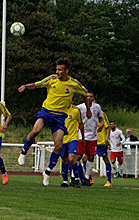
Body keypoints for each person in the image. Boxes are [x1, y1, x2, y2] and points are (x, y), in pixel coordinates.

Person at [17, 57, 92, 186]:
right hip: (46, 112)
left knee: (58, 146)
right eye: (57, 69)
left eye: (60, 70)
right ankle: (24, 152)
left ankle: (47, 172)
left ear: (67, 70)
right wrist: (25, 86)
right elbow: (36, 84)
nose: (58, 72)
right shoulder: (51, 79)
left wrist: (88, 109)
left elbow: (84, 94)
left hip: (59, 117)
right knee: (35, 131)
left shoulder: (74, 84)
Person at [76, 92, 104, 186]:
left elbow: (101, 118)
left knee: (91, 156)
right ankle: (73, 176)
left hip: (93, 136)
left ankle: (87, 178)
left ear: (93, 98)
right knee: (79, 156)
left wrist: (102, 124)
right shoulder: (79, 107)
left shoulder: (97, 107)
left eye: (90, 96)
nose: (89, 98)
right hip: (82, 135)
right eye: (87, 96)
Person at [60, 102, 84, 188]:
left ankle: (76, 179)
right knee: (64, 160)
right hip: (62, 139)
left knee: (71, 158)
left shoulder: (76, 110)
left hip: (73, 138)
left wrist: (83, 137)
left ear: (72, 101)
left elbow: (81, 124)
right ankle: (65, 181)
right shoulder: (59, 109)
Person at [96, 108, 112, 187]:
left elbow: (107, 127)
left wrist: (107, 138)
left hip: (100, 141)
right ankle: (87, 179)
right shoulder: (85, 112)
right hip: (90, 140)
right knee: (84, 157)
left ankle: (109, 180)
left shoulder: (101, 113)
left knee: (105, 158)